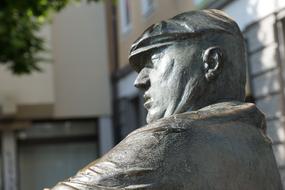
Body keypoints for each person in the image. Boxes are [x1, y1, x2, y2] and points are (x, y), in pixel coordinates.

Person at [49, 9, 282, 190]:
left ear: (210, 62)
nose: (139, 81)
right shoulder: (255, 139)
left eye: (153, 62)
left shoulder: (171, 139)